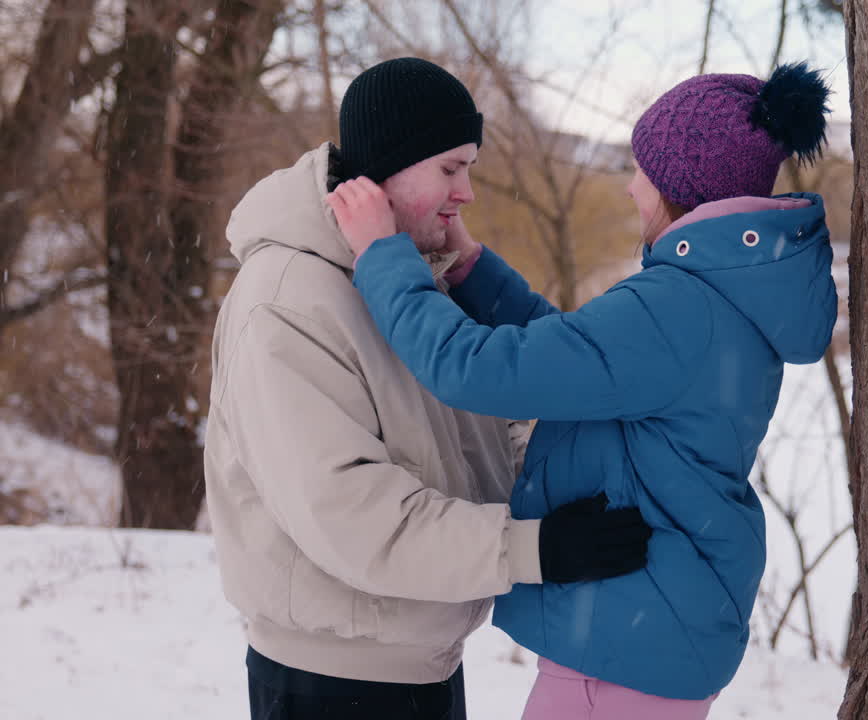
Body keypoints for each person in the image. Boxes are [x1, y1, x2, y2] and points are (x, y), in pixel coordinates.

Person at [328, 62, 836, 720]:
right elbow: (576, 359)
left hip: (628, 644)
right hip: (657, 626)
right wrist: (476, 271)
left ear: (682, 187)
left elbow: (472, 369)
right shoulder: (719, 300)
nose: (629, 189)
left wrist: (381, 256)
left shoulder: (676, 307)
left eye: (643, 172)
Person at [204, 57, 652, 720]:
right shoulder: (289, 303)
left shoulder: (408, 279)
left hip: (420, 663)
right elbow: (352, 515)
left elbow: (489, 431)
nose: (467, 191)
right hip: (330, 684)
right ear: (387, 167)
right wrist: (535, 547)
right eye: (450, 168)